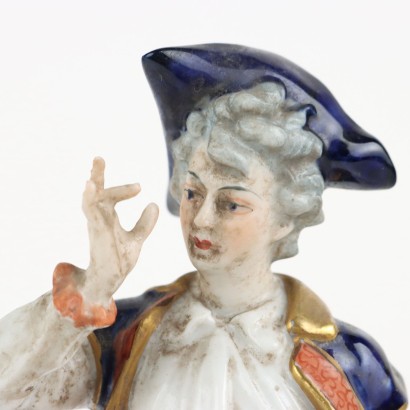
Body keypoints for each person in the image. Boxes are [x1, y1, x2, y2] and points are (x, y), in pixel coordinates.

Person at [0, 44, 407, 410]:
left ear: (285, 217)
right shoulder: (127, 338)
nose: (202, 218)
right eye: (193, 192)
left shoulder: (347, 363)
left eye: (231, 203)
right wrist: (95, 286)